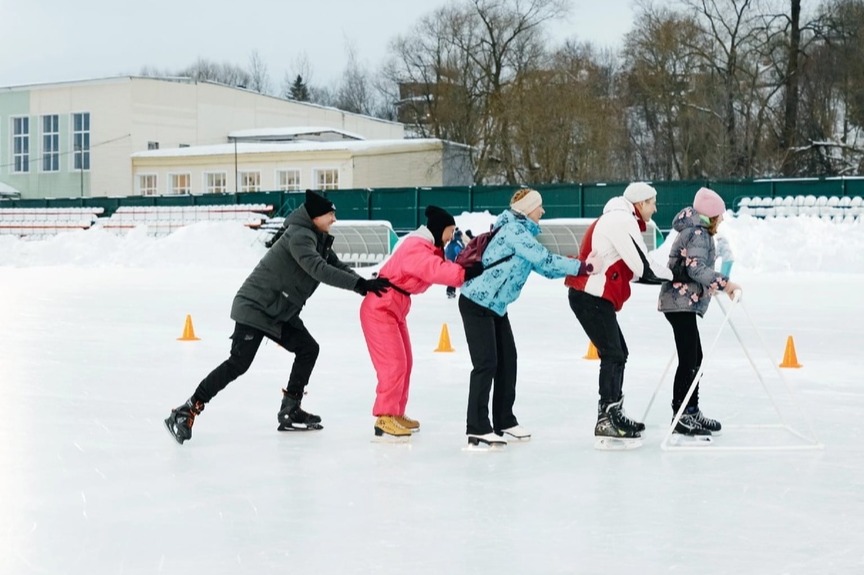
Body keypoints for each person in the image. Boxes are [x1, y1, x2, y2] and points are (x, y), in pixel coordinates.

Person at [164, 189, 391, 445]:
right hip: (255, 308)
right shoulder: (300, 236)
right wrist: (359, 286)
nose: (334, 220)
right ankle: (186, 410)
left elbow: (335, 266)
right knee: (238, 363)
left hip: (279, 312)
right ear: (316, 216)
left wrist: (366, 282)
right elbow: (318, 269)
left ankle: (290, 409)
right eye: (330, 215)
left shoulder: (317, 237)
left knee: (308, 349)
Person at [459, 188, 600, 447]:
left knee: (507, 361)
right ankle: (477, 426)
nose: (543, 211)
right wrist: (582, 266)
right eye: (539, 206)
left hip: (496, 306)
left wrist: (576, 266)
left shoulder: (521, 232)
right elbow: (545, 261)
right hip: (476, 301)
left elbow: (543, 268)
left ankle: (504, 420)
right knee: (486, 364)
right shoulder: (515, 232)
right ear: (527, 209)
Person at [565, 182, 674, 449]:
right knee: (613, 353)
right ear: (639, 203)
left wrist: (667, 277)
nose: (655, 208)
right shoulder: (621, 220)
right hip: (590, 296)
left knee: (619, 352)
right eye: (652, 203)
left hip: (592, 297)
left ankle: (613, 412)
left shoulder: (619, 219)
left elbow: (635, 272)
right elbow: (644, 267)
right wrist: (678, 276)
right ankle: (606, 418)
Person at [360, 207, 484, 439]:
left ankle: (396, 412)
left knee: (406, 362)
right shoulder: (415, 248)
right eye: (449, 231)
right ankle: (384, 416)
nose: (450, 237)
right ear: (438, 229)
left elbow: (437, 263)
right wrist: (464, 273)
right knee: (394, 364)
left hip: (393, 308)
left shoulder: (428, 247)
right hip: (380, 309)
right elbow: (433, 270)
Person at [658, 187, 741, 437]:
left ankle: (690, 410)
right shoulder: (698, 234)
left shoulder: (695, 231)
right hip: (679, 302)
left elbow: (694, 270)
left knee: (695, 359)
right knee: (689, 359)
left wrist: (708, 286)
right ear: (710, 216)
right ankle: (681, 415)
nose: (722, 220)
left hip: (682, 301)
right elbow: (696, 269)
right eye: (720, 215)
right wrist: (725, 284)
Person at [443, 227, 466, 299]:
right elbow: (461, 252)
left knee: (452, 276)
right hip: (455, 262)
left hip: (448, 261)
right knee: (455, 276)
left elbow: (446, 251)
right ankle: (451, 291)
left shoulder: (451, 243)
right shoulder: (458, 242)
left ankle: (450, 290)